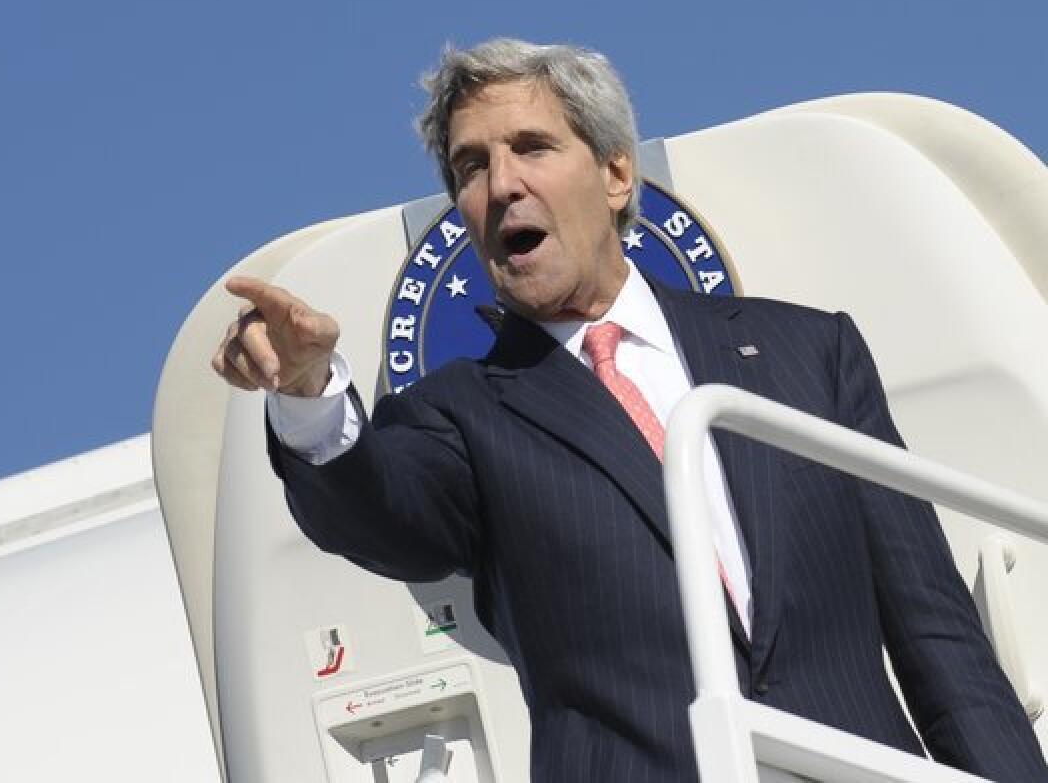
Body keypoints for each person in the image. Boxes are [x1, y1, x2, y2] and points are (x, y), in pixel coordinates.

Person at [212, 39, 1047, 781]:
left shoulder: (808, 355)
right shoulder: (460, 415)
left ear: (615, 175)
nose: (502, 184)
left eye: (531, 147)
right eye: (471, 167)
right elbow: (383, 514)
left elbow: (941, 640)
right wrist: (310, 394)